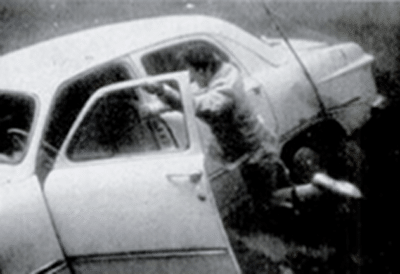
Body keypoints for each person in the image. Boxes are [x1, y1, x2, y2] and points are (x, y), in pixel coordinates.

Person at [142, 44, 362, 212]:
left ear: (206, 69)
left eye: (193, 72)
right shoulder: (225, 72)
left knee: (267, 198)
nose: (191, 78)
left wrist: (163, 92)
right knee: (280, 187)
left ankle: (319, 190)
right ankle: (317, 184)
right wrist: (159, 105)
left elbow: (203, 105)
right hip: (260, 145)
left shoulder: (223, 92)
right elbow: (195, 93)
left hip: (253, 154)